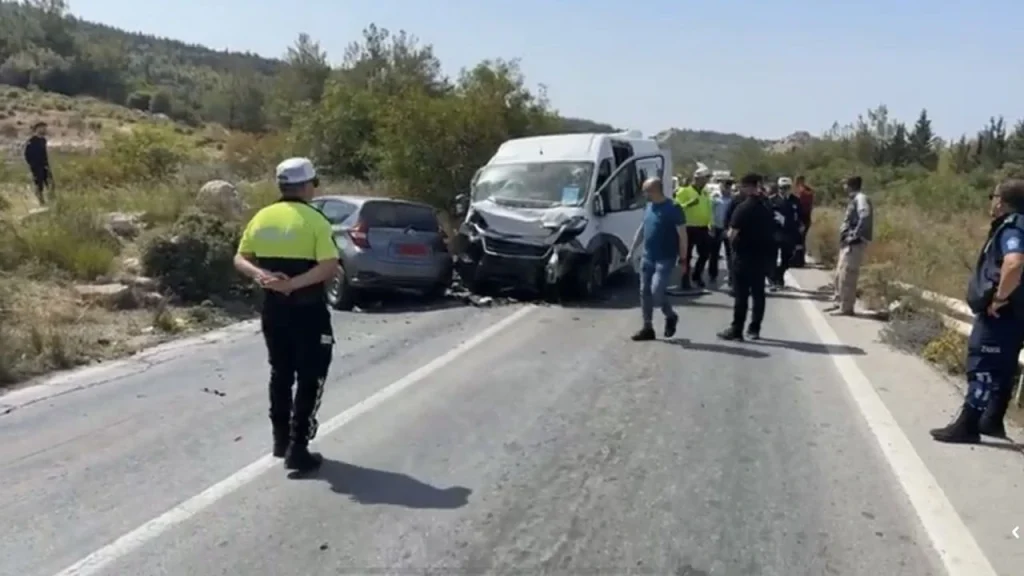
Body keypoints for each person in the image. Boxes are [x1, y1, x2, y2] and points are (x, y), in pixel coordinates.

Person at [234, 157, 340, 473]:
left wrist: (262, 276)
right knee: (312, 374)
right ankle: (298, 446)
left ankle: (280, 440)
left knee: (280, 372)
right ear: (308, 186)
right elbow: (329, 266)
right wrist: (293, 284)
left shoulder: (262, 217)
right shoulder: (315, 220)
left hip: (273, 310)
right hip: (308, 311)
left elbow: (240, 257)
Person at [930, 180, 1024, 443]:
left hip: (1001, 314)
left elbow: (1014, 264)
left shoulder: (1013, 227)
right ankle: (991, 421)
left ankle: (968, 425)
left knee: (982, 365)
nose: (991, 202)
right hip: (1016, 316)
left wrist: (999, 298)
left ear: (1002, 202)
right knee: (1003, 368)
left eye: (993, 196)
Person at [627, 177, 687, 341]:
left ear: (654, 191)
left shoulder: (673, 208)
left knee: (657, 291)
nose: (644, 194)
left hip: (665, 258)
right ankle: (647, 327)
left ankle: (670, 315)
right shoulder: (648, 206)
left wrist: (683, 259)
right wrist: (632, 249)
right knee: (644, 291)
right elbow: (643, 228)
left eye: (646, 190)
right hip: (648, 257)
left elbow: (683, 235)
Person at [718, 173, 775, 341]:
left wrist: (726, 237)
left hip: (743, 258)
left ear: (748, 187)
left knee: (741, 296)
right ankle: (754, 329)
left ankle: (737, 329)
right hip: (762, 258)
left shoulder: (743, 208)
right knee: (759, 294)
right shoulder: (767, 207)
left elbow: (732, 234)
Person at [825, 176, 873, 316]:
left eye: (845, 185)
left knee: (848, 275)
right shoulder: (854, 199)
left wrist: (854, 235)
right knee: (839, 274)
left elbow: (865, 216)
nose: (843, 187)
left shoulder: (861, 198)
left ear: (851, 185)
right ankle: (839, 302)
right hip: (847, 243)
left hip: (855, 244)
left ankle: (846, 308)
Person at [674, 166, 713, 290]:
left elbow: (709, 209)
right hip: (688, 227)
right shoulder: (684, 191)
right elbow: (676, 208)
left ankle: (697, 275)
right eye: (705, 178)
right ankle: (685, 280)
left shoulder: (706, 192)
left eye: (707, 178)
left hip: (702, 227)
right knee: (687, 256)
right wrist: (688, 204)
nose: (706, 181)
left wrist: (710, 224)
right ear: (697, 178)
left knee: (705, 254)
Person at [766, 177, 803, 289]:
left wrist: (800, 228)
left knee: (787, 259)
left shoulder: (795, 201)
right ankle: (774, 280)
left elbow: (800, 216)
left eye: (786, 187)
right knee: (772, 257)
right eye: (782, 188)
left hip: (789, 234)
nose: (784, 190)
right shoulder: (772, 200)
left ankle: (779, 274)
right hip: (775, 233)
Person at [708, 176, 735, 286]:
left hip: (728, 229)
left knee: (730, 254)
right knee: (714, 254)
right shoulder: (715, 197)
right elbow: (710, 212)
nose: (726, 188)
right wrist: (711, 226)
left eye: (728, 186)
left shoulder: (733, 199)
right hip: (717, 228)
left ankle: (731, 277)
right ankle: (713, 275)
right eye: (724, 186)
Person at [23, 122, 52, 205]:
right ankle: (40, 200)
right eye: (42, 127)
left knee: (49, 182)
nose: (44, 129)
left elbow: (44, 153)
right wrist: (32, 165)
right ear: (37, 129)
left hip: (45, 165)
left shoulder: (43, 140)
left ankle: (51, 200)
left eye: (45, 128)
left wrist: (46, 164)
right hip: (36, 166)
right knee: (39, 184)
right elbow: (27, 154)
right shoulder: (31, 141)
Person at [793, 175, 815, 266]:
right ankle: (799, 259)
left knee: (799, 240)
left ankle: (799, 260)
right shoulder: (808, 191)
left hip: (802, 217)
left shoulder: (802, 192)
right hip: (805, 217)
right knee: (801, 240)